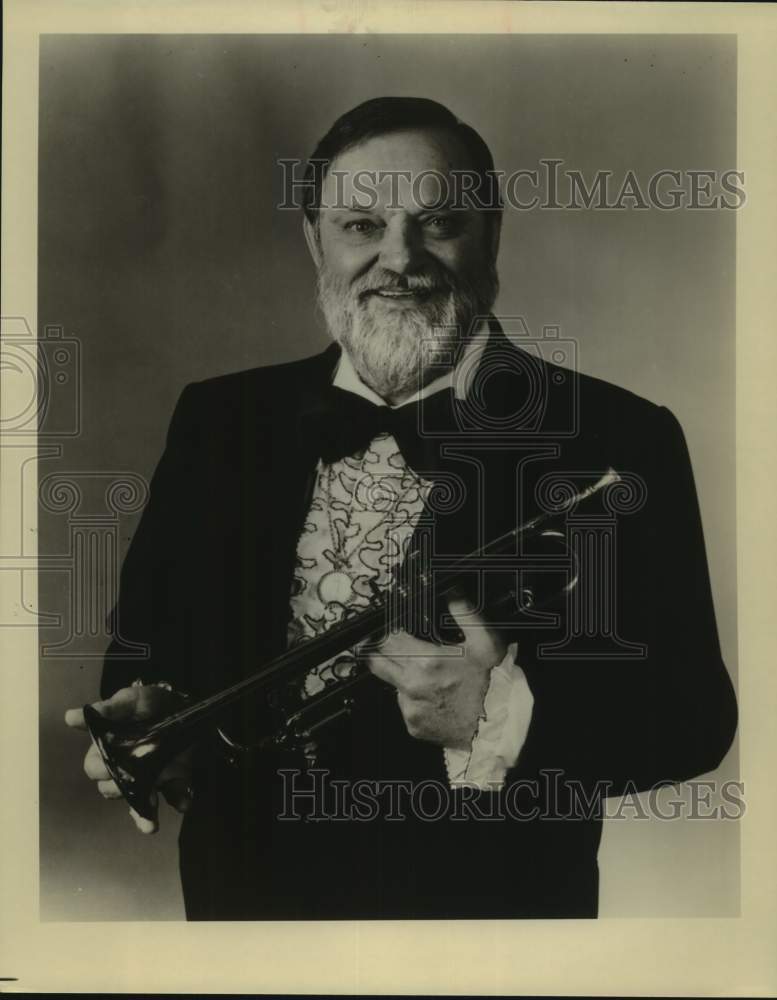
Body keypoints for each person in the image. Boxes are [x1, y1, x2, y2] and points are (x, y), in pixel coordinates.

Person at [66, 97, 737, 920]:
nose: (399, 258)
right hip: (242, 901)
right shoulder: (219, 417)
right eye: (360, 225)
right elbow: (146, 636)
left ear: (491, 234)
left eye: (438, 222)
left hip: (490, 917)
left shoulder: (617, 437)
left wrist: (501, 712)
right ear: (314, 240)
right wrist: (146, 706)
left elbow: (691, 720)